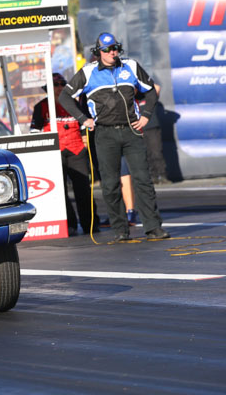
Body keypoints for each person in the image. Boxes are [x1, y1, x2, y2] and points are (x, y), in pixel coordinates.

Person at [59, 32, 170, 242]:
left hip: (131, 130)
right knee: (110, 184)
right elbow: (65, 96)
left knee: (143, 180)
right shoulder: (88, 71)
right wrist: (83, 119)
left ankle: (153, 227)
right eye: (108, 49)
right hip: (104, 133)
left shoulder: (131, 66)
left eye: (115, 48)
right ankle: (120, 230)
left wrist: (146, 116)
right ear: (98, 52)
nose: (112, 53)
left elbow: (151, 91)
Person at [31, 72, 100, 236]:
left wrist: (84, 145)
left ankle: (90, 224)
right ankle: (69, 224)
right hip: (55, 153)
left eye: (62, 84)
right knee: (60, 192)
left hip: (77, 151)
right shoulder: (41, 107)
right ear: (48, 89)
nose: (59, 87)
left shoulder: (74, 104)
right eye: (55, 85)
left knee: (84, 190)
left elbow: (85, 126)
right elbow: (34, 131)